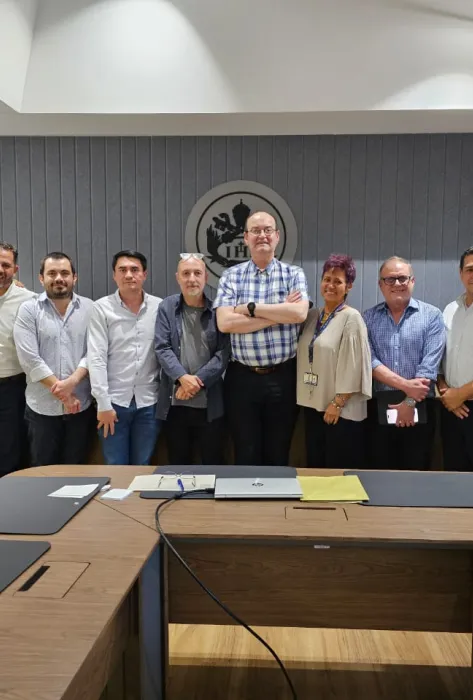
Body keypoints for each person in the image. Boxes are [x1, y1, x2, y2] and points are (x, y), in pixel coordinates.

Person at [214, 211, 309, 466]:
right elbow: (225, 323)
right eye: (256, 231)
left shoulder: (293, 274)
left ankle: (276, 496)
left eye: (268, 230)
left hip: (283, 377)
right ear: (246, 238)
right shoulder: (231, 276)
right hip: (241, 379)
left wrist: (250, 308)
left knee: (278, 452)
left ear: (277, 236)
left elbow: (299, 314)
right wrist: (279, 313)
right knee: (246, 452)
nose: (262, 235)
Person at [363, 256, 445, 470]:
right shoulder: (368, 318)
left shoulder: (432, 316)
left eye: (402, 278)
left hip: (421, 406)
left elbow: (429, 366)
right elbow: (369, 362)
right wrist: (407, 386)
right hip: (378, 407)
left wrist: (409, 402)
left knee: (416, 472)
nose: (397, 284)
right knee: (379, 473)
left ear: (412, 281)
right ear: (380, 284)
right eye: (390, 279)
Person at [13, 252, 95, 466]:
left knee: (77, 471)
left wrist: (72, 383)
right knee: (43, 471)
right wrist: (64, 395)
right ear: (42, 278)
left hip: (80, 406)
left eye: (65, 273)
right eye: (52, 273)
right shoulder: (29, 310)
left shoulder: (90, 308)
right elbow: (30, 359)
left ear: (74, 277)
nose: (59, 278)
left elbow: (94, 352)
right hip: (41, 409)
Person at [88, 250, 162, 465]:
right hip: (113, 403)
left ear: (144, 274)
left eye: (134, 269)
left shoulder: (160, 307)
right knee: (115, 467)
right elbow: (96, 357)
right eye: (122, 270)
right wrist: (103, 404)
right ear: (114, 275)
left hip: (149, 403)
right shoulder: (101, 308)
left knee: (143, 466)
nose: (129, 275)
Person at [155, 254, 231, 465]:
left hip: (210, 404)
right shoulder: (167, 307)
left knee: (213, 462)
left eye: (197, 273)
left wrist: (196, 382)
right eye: (186, 273)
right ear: (177, 277)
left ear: (206, 277)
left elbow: (223, 353)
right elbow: (162, 347)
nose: (191, 279)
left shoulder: (218, 311)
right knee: (179, 464)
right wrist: (182, 378)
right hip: (175, 403)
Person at [297, 254, 371, 468]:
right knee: (316, 467)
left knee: (336, 469)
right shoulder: (312, 315)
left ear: (349, 286)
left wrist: (338, 403)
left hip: (340, 410)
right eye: (326, 279)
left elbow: (354, 366)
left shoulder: (352, 318)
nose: (330, 285)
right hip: (314, 404)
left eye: (337, 281)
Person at [0, 242, 36, 477]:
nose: (0, 270)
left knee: (10, 451)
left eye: (5, 265)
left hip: (11, 388)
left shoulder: (30, 301)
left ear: (15, 269)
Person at [437, 246, 473, 471]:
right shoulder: (450, 309)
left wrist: (461, 394)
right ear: (461, 273)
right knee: (454, 475)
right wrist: (446, 392)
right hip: (450, 408)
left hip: (461, 401)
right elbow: (440, 358)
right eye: (470, 269)